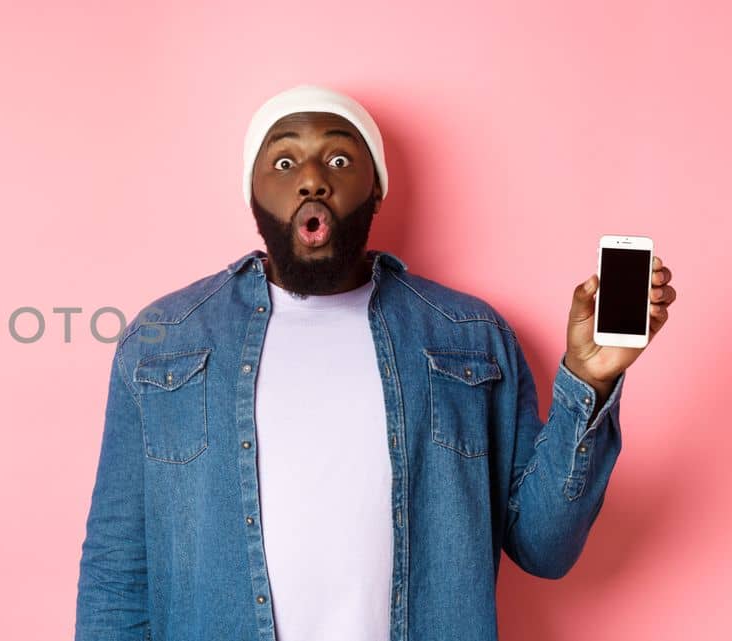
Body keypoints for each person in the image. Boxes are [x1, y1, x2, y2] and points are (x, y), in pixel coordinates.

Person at [73, 85, 678, 641]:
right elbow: (116, 575)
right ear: (252, 193)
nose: (312, 179)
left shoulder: (468, 336)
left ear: (378, 187)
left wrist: (589, 382)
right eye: (284, 163)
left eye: (339, 160)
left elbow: (546, 547)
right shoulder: (164, 341)